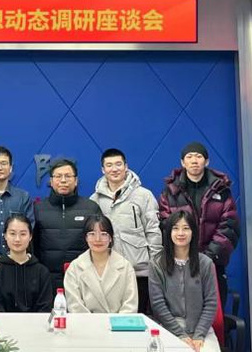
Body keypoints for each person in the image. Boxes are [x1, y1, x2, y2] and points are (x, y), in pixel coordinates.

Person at [158, 142, 239, 304]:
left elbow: (229, 226)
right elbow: (165, 225)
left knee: (213, 312)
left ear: (206, 161)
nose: (194, 161)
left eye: (199, 156)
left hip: (213, 264)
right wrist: (184, 257)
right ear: (183, 162)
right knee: (180, 312)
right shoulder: (170, 192)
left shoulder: (221, 190)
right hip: (180, 264)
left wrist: (207, 258)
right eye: (189, 157)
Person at [91, 148, 161, 313]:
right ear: (103, 170)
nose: (114, 169)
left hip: (140, 272)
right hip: (108, 272)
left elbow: (153, 232)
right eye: (109, 165)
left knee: (138, 318)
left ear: (126, 166)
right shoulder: (95, 200)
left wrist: (156, 266)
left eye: (118, 164)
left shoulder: (144, 196)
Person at [149, 210, 220, 352]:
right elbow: (158, 304)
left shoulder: (205, 263)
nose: (180, 233)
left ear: (193, 232)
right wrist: (180, 334)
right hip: (169, 329)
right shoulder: (157, 264)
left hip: (201, 330)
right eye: (175, 228)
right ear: (169, 232)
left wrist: (199, 335)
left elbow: (211, 303)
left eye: (186, 228)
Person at [34, 158, 102, 290]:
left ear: (76, 181)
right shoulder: (38, 209)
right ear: (51, 181)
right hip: (46, 280)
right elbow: (32, 247)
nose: (63, 180)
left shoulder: (91, 208)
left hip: (83, 279)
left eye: (68, 176)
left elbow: (101, 243)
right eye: (58, 176)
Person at [64, 214, 138, 314]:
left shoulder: (125, 267)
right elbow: (75, 306)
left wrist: (116, 323)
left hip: (118, 322)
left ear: (111, 238)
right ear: (86, 238)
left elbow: (130, 305)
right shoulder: (75, 268)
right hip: (85, 322)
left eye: (103, 234)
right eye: (92, 234)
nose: (97, 239)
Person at [0, 214, 52, 313]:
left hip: (36, 322)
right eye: (12, 233)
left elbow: (44, 309)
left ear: (30, 236)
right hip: (2, 322)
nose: (17, 239)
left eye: (23, 234)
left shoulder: (42, 272)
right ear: (5, 236)